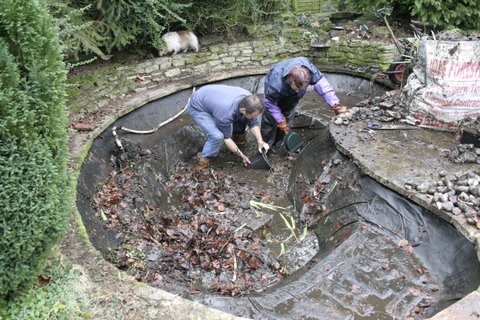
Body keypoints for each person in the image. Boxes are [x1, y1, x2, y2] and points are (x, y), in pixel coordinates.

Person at [261, 56, 349, 147]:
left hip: (291, 97)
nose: (299, 91)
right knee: (270, 121)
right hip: (274, 96)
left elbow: (322, 84)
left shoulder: (307, 68)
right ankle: (266, 144)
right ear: (290, 81)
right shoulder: (275, 85)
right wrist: (279, 119)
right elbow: (270, 104)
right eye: (297, 88)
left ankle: (280, 142)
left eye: (302, 88)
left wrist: (335, 104)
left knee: (288, 115)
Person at [187, 84, 270, 170]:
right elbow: (226, 139)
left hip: (211, 96)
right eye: (253, 116)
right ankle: (203, 160)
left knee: (244, 118)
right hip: (198, 106)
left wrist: (260, 142)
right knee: (217, 136)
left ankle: (238, 139)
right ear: (243, 110)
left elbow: (253, 123)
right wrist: (242, 156)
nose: (254, 118)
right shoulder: (226, 114)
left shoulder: (249, 99)